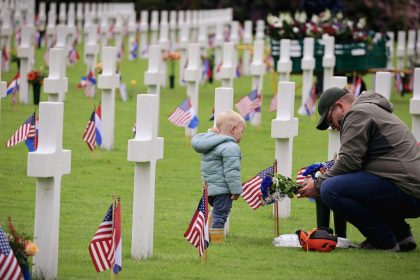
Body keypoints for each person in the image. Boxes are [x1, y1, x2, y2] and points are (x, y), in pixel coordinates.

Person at [298, 87, 420, 252]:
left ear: (339, 107)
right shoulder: (370, 109)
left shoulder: (357, 113)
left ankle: (383, 240)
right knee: (354, 183)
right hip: (408, 186)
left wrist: (318, 184)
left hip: (407, 189)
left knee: (330, 189)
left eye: (329, 120)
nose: (333, 127)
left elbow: (350, 161)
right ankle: (401, 235)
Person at [191, 111, 246, 243]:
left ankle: (206, 233)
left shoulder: (210, 143)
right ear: (233, 129)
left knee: (215, 213)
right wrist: (236, 190)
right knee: (220, 216)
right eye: (242, 131)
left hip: (209, 189)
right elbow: (232, 172)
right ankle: (216, 241)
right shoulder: (230, 147)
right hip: (223, 190)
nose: (242, 134)